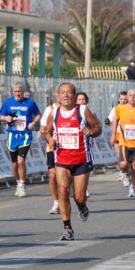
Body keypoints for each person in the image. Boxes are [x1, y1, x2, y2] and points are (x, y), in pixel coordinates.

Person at [44, 83, 102, 241]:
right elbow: (47, 131)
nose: (65, 96)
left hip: (82, 159)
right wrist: (51, 139)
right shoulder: (54, 112)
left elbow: (98, 127)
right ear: (58, 95)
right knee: (63, 190)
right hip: (62, 159)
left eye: (69, 93)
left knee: (79, 196)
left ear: (75, 96)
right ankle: (67, 227)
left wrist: (90, 132)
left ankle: (82, 206)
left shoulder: (82, 111)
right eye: (62, 93)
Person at [0, 82, 41, 197]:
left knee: (21, 161)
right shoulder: (8, 102)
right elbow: (1, 116)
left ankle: (22, 185)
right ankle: (18, 183)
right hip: (12, 135)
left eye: (20, 91)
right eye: (16, 91)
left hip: (25, 135)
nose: (18, 94)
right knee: (14, 164)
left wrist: (34, 123)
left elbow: (38, 114)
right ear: (13, 92)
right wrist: (5, 118)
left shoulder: (30, 102)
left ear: (23, 92)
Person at [37, 85, 61, 214]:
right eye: (58, 92)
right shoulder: (50, 109)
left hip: (69, 149)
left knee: (66, 177)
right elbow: (44, 126)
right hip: (53, 147)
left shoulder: (74, 109)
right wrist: (45, 133)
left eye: (63, 92)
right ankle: (56, 203)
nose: (61, 95)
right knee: (52, 175)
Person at [108, 91, 128, 181]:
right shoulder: (115, 109)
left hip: (129, 135)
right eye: (121, 99)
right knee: (118, 154)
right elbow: (109, 120)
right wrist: (108, 122)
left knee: (128, 155)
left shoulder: (132, 108)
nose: (123, 101)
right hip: (118, 134)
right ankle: (122, 171)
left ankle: (127, 169)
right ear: (118, 100)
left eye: (125, 99)